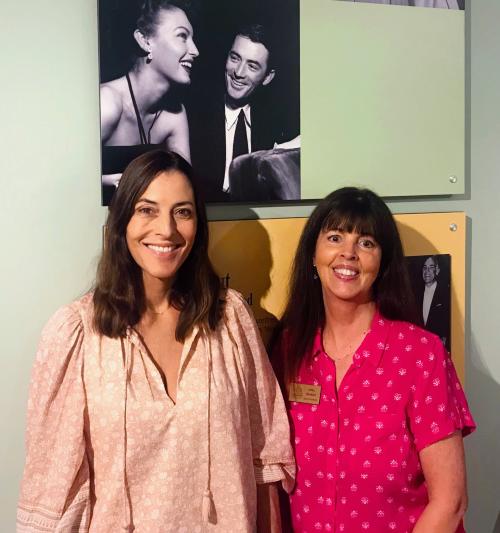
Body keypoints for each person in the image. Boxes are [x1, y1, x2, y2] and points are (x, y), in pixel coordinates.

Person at [17, 150, 295, 532]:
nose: (166, 230)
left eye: (182, 212)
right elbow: (53, 493)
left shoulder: (230, 319)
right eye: (147, 210)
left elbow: (263, 462)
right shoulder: (77, 334)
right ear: (121, 222)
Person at [273, 187, 475, 532]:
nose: (348, 253)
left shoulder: (420, 355)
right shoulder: (288, 349)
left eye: (366, 243)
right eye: (335, 237)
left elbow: (451, 500)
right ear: (313, 252)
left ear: (382, 262)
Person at [100, 0, 199, 204]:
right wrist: (108, 181)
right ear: (145, 41)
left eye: (193, 38)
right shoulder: (107, 103)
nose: (195, 50)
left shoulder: (175, 114)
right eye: (182, 36)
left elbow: (186, 186)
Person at [190, 23, 292, 202]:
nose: (238, 72)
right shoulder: (194, 114)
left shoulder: (274, 122)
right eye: (235, 58)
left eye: (252, 66)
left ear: (267, 77)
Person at [418, 255, 451, 351]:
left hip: (438, 347)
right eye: (424, 267)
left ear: (437, 270)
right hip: (421, 345)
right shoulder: (416, 293)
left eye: (431, 267)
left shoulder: (445, 293)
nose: (427, 271)